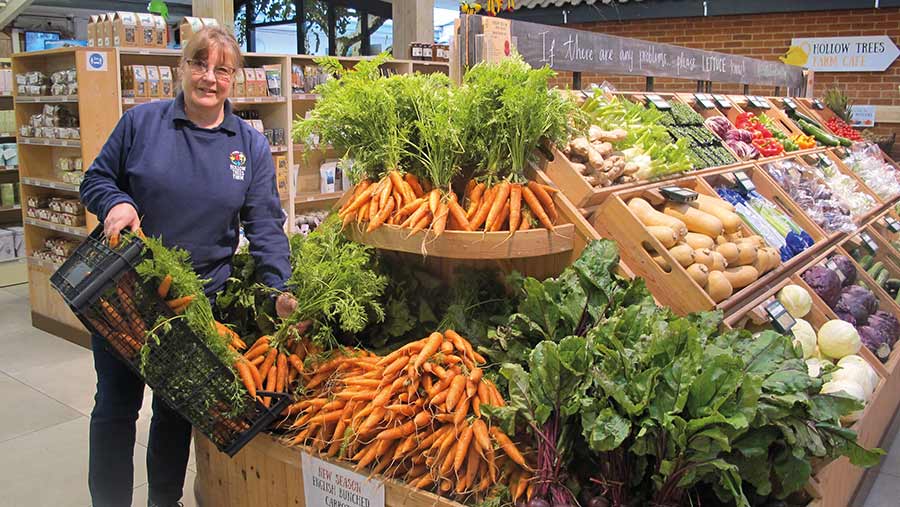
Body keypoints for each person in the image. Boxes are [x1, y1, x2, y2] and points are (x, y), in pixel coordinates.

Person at [80, 26, 297, 507]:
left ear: (234, 78)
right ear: (182, 68)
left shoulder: (249, 145)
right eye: (199, 64)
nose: (209, 78)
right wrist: (115, 203)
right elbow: (95, 178)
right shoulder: (141, 124)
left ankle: (164, 501)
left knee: (176, 410)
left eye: (222, 69)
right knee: (116, 406)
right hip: (126, 292)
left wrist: (279, 287)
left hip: (198, 303)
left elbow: (264, 223)